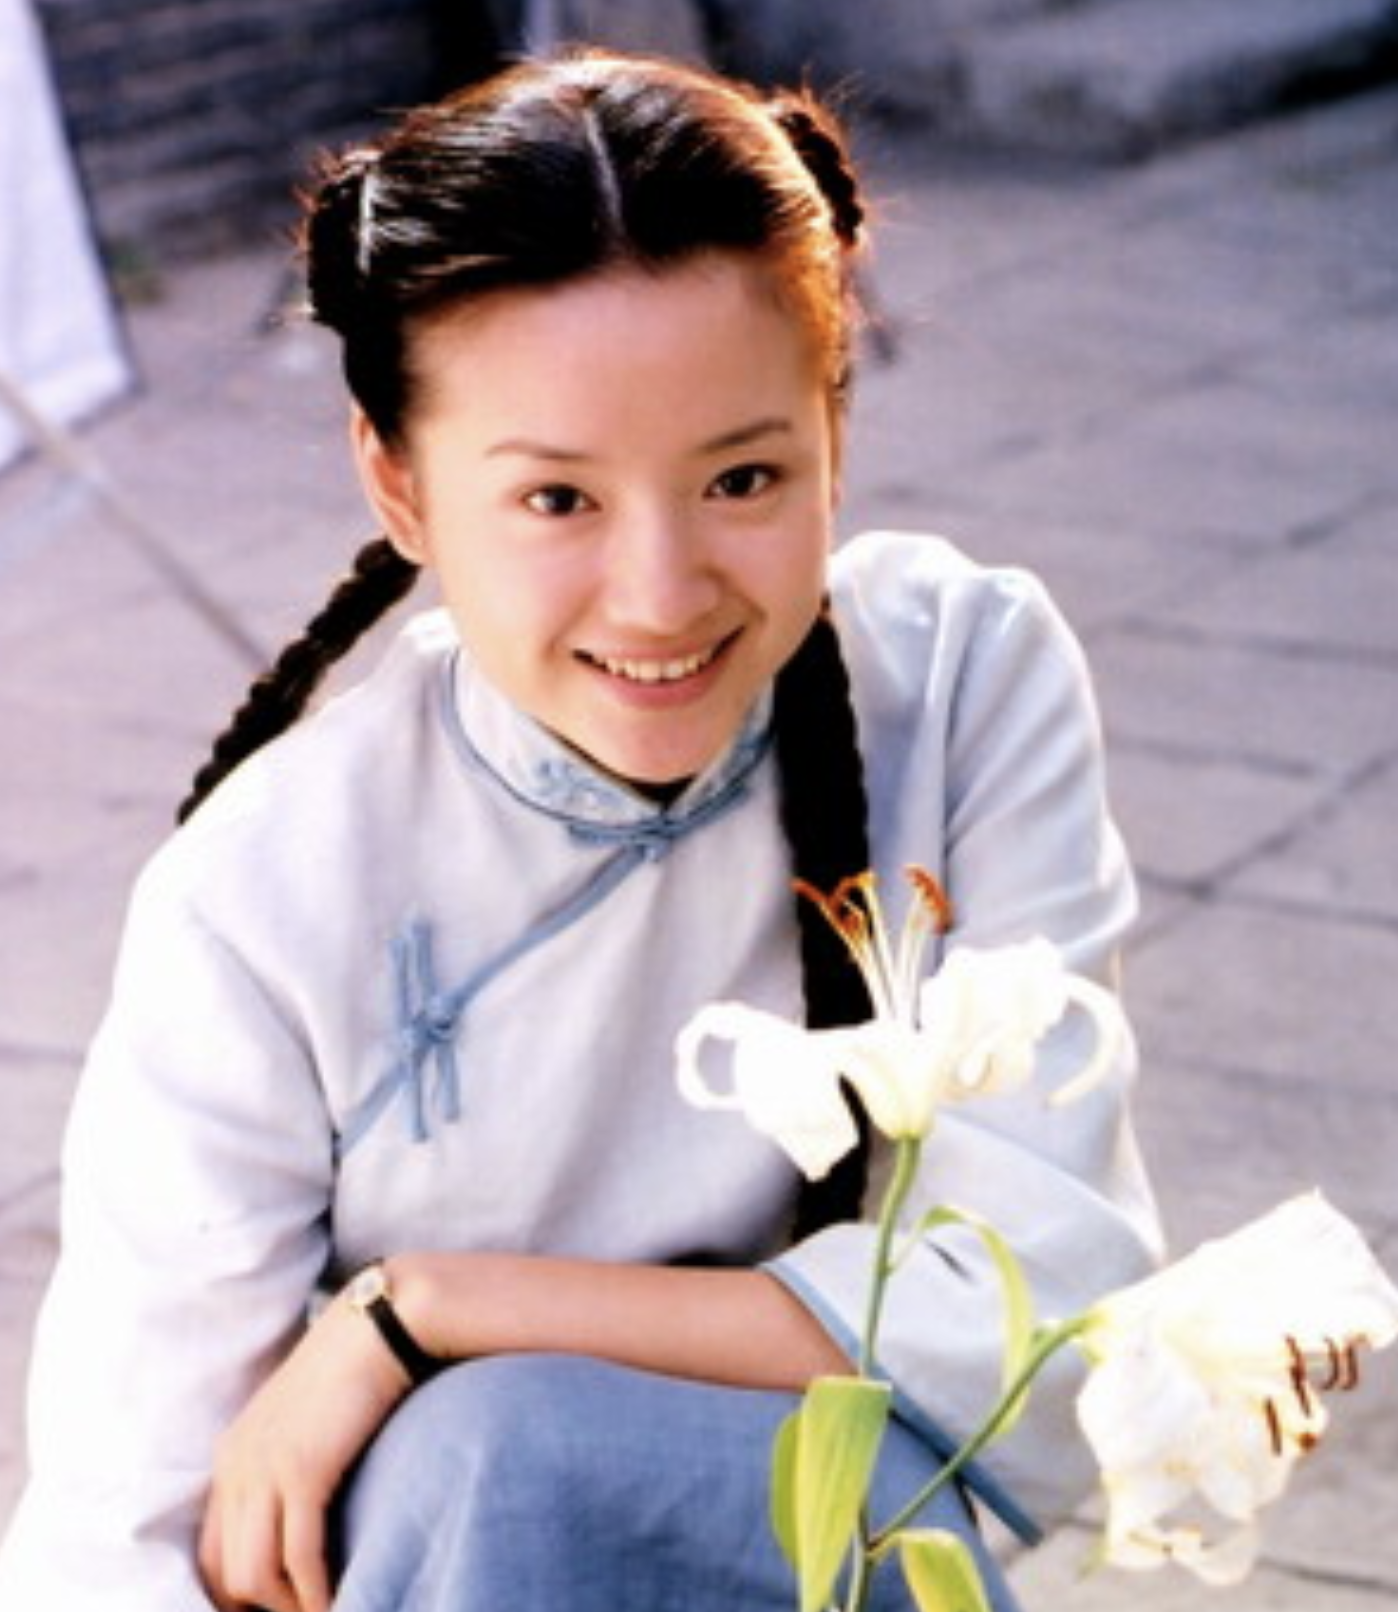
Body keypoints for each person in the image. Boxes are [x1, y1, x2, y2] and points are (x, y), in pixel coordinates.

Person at [0, 48, 1161, 1612]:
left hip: (815, 1533)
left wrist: (428, 1312)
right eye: (557, 500)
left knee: (516, 1436)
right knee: (497, 1460)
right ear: (398, 486)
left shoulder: (961, 677)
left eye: (743, 477)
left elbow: (1042, 1313)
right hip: (455, 1566)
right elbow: (128, 1515)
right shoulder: (267, 886)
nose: (662, 596)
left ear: (834, 431)